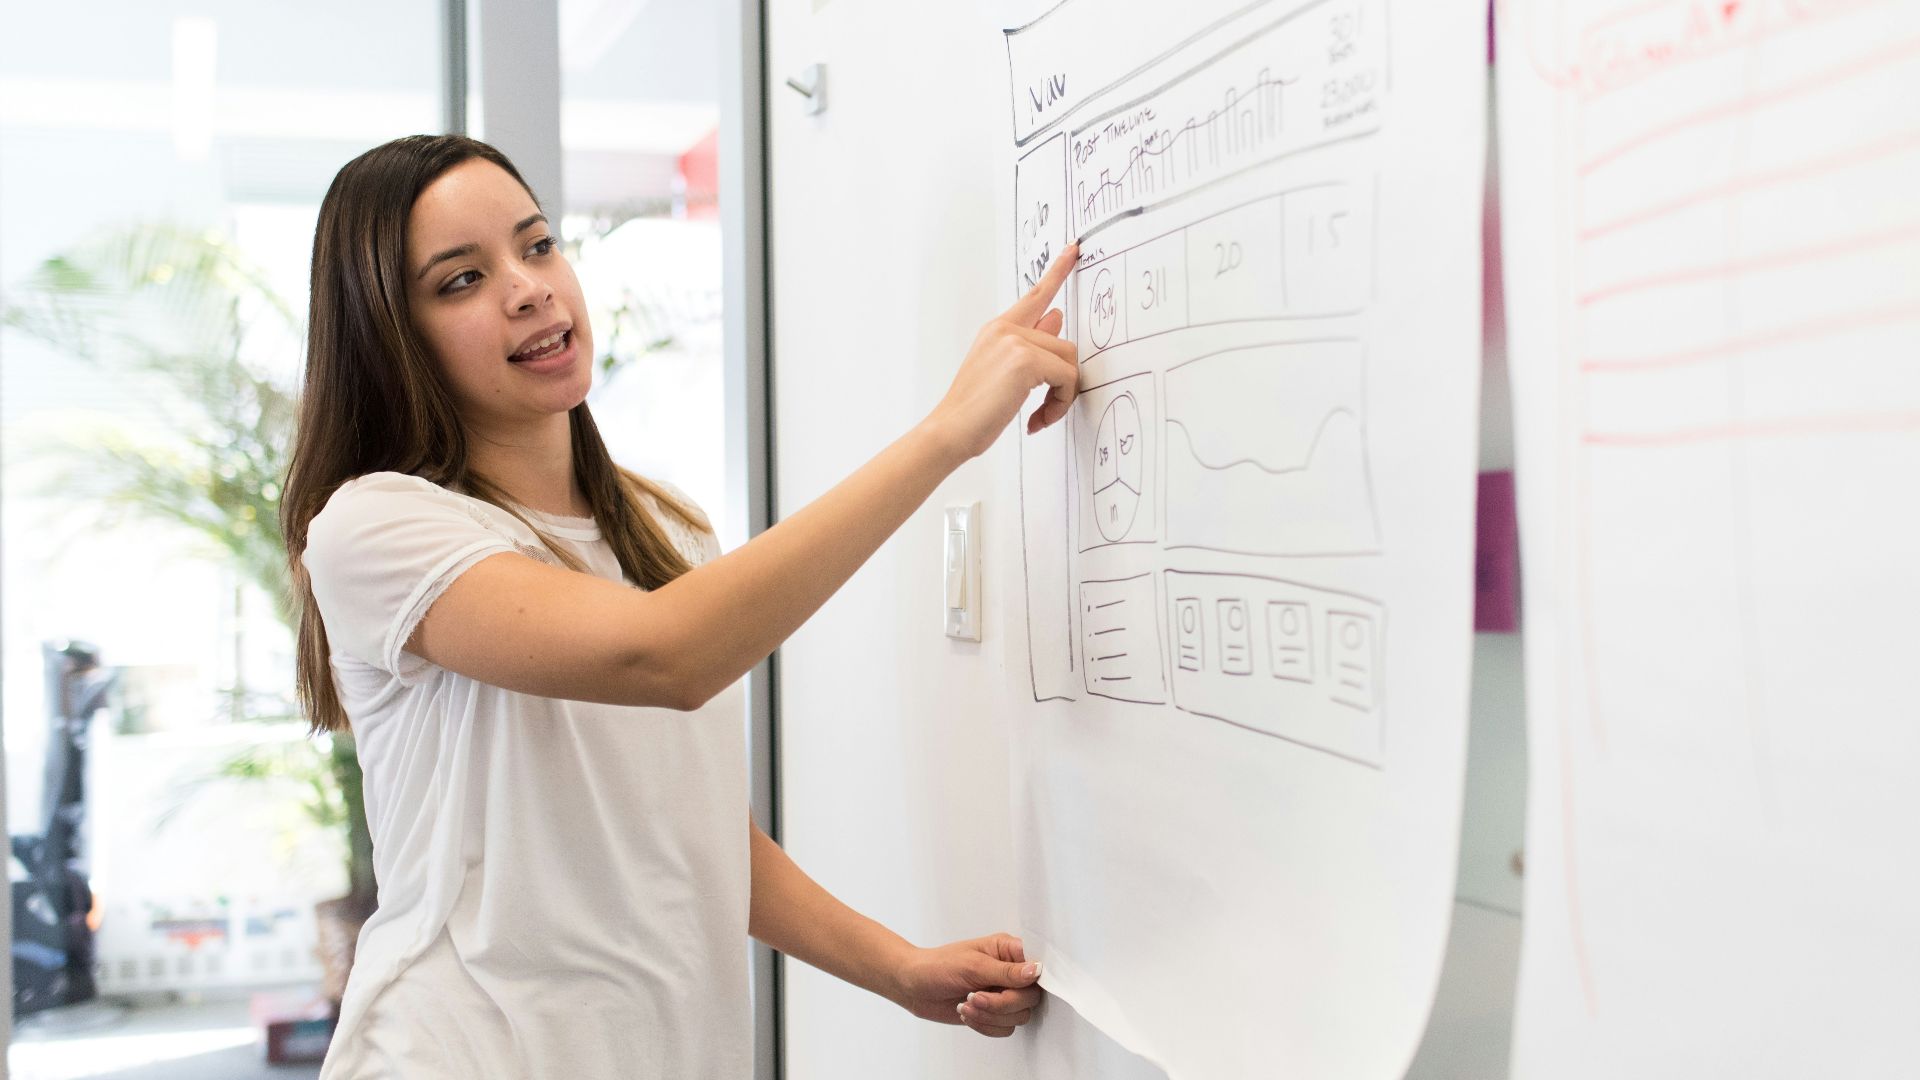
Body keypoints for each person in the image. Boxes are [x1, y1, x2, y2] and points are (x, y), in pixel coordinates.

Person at [279, 133, 1081, 1078]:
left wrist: (896, 968)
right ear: (390, 336)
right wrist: (948, 434)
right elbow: (666, 656)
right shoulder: (374, 525)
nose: (528, 288)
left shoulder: (665, 529)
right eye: (462, 280)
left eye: (537, 245)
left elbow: (688, 829)